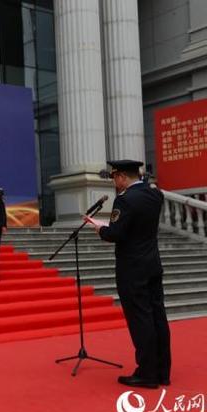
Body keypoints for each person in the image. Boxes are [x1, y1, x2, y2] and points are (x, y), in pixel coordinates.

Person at [85, 159, 171, 389]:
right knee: (158, 317)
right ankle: (163, 371)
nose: (115, 183)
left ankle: (147, 373)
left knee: (140, 319)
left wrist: (100, 228)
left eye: (115, 178)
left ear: (122, 176)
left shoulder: (125, 200)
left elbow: (116, 234)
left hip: (132, 268)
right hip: (152, 263)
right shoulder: (155, 194)